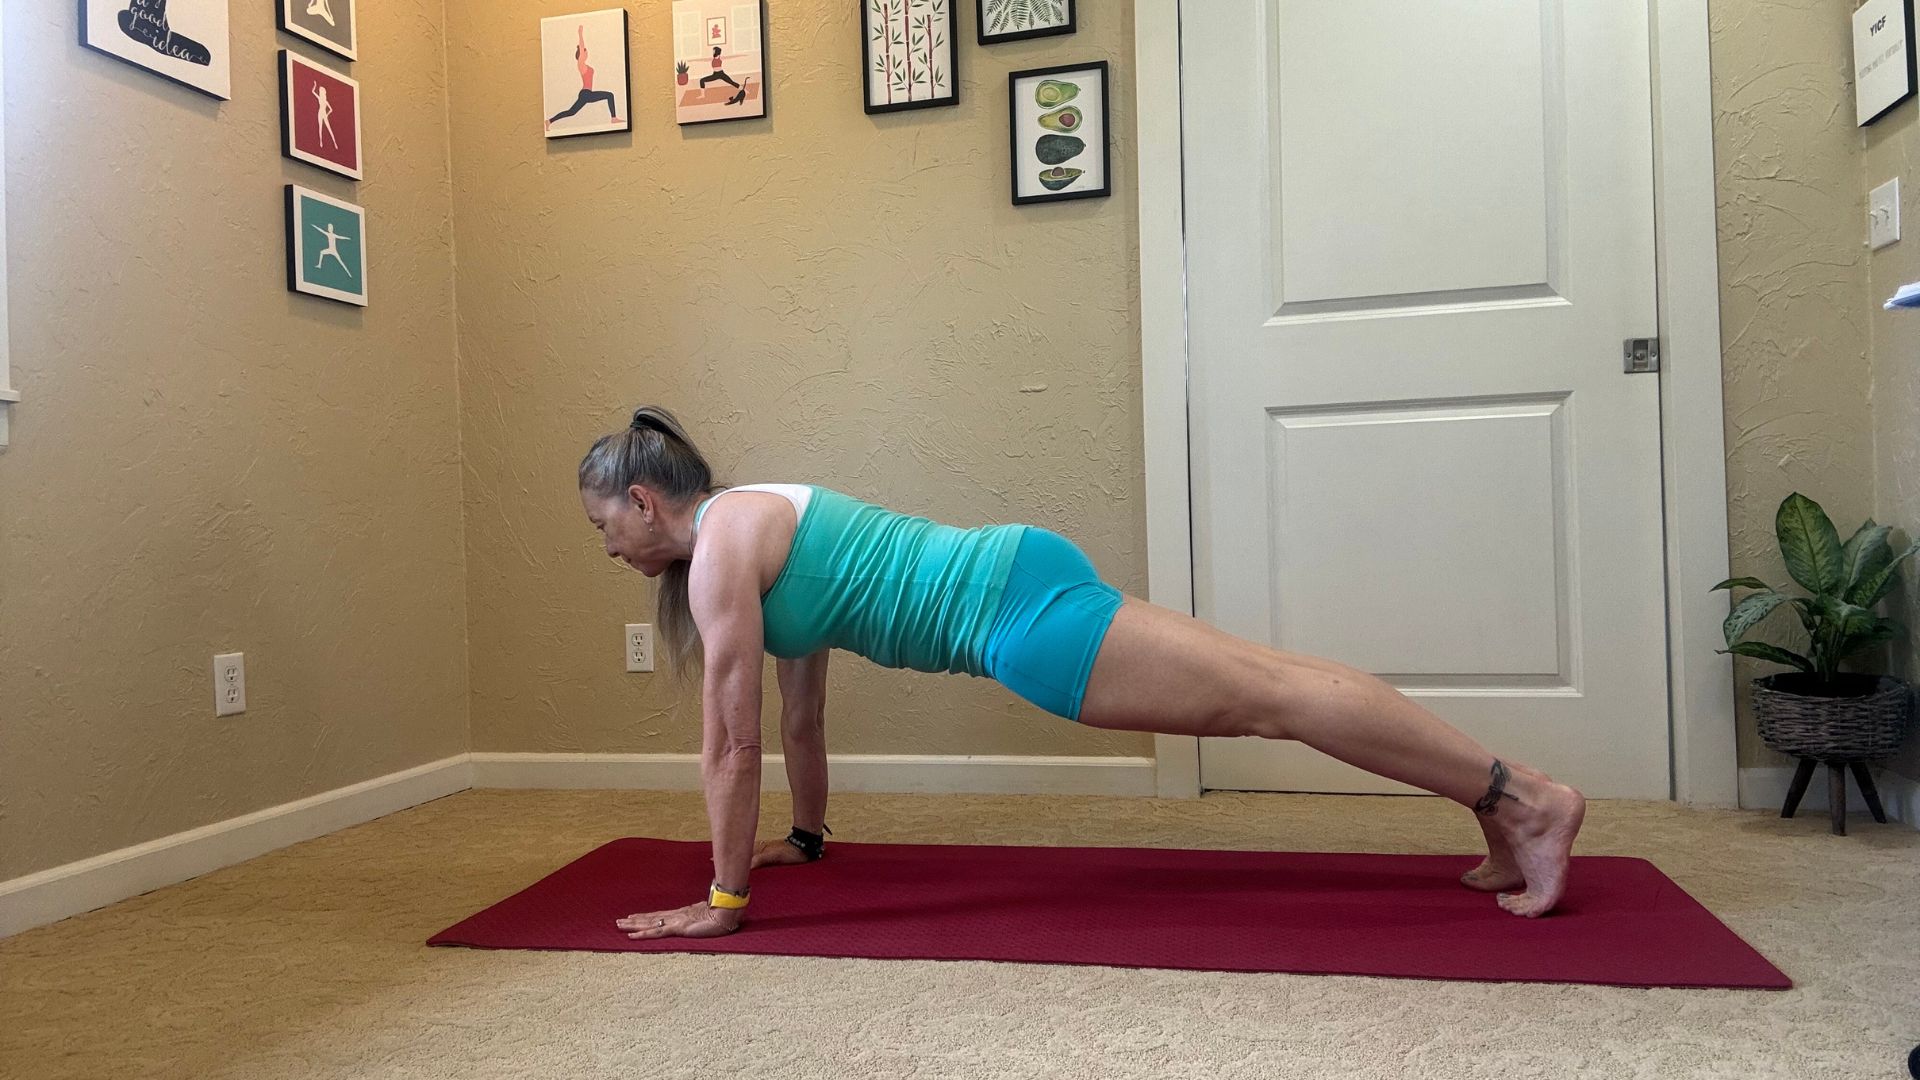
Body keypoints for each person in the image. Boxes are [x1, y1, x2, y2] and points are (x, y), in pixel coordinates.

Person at [579, 407, 1588, 941]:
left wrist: (723, 901)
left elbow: (731, 741)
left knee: (1271, 698)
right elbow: (800, 714)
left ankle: (1528, 800)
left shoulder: (719, 550)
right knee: (1271, 682)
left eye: (604, 527)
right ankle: (1497, 803)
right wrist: (803, 837)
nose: (607, 548)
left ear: (641, 499)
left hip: (1018, 618)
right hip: (1018, 573)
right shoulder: (755, 515)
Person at [547, 25, 618, 132]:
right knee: (609, 95)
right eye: (585, 52)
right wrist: (580, 34)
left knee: (571, 112)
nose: (587, 53)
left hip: (587, 94)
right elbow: (581, 47)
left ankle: (549, 121)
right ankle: (613, 118)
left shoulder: (586, 66)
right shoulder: (582, 65)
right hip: (586, 94)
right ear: (582, 54)